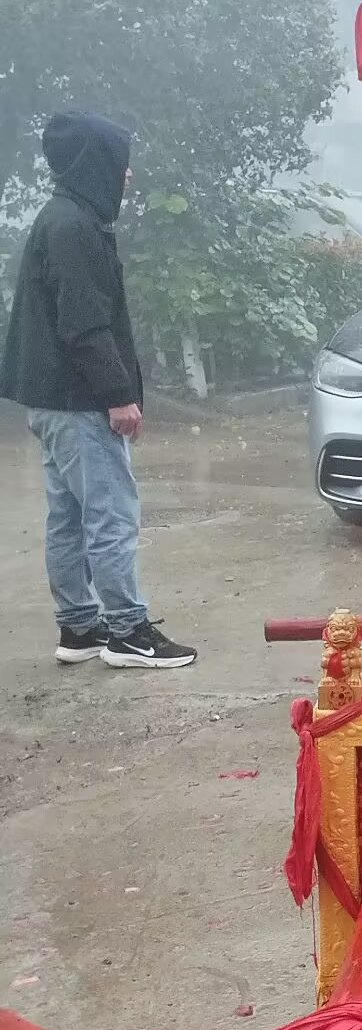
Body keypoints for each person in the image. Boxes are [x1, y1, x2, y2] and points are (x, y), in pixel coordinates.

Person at [0, 111, 196, 669]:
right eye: (121, 162)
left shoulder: (62, 217)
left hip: (52, 401)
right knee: (111, 515)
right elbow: (83, 324)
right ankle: (128, 632)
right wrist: (118, 394)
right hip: (80, 402)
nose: (128, 175)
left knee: (68, 516)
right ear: (96, 163)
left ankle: (80, 627)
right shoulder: (74, 228)